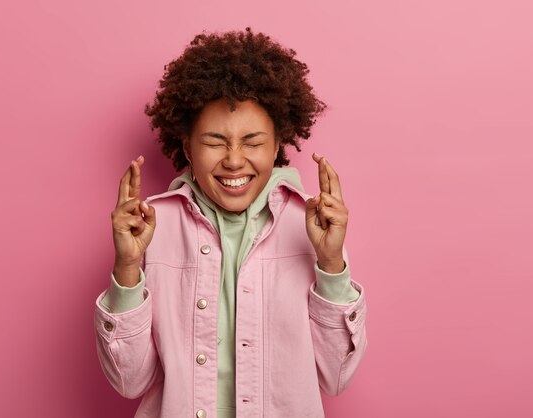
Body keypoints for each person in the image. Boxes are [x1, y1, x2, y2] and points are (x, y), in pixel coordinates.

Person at [94, 27, 367, 418]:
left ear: (278, 145)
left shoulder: (313, 226)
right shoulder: (151, 228)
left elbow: (335, 378)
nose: (235, 160)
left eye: (253, 143)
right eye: (214, 141)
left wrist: (332, 265)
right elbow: (130, 382)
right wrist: (127, 268)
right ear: (187, 146)